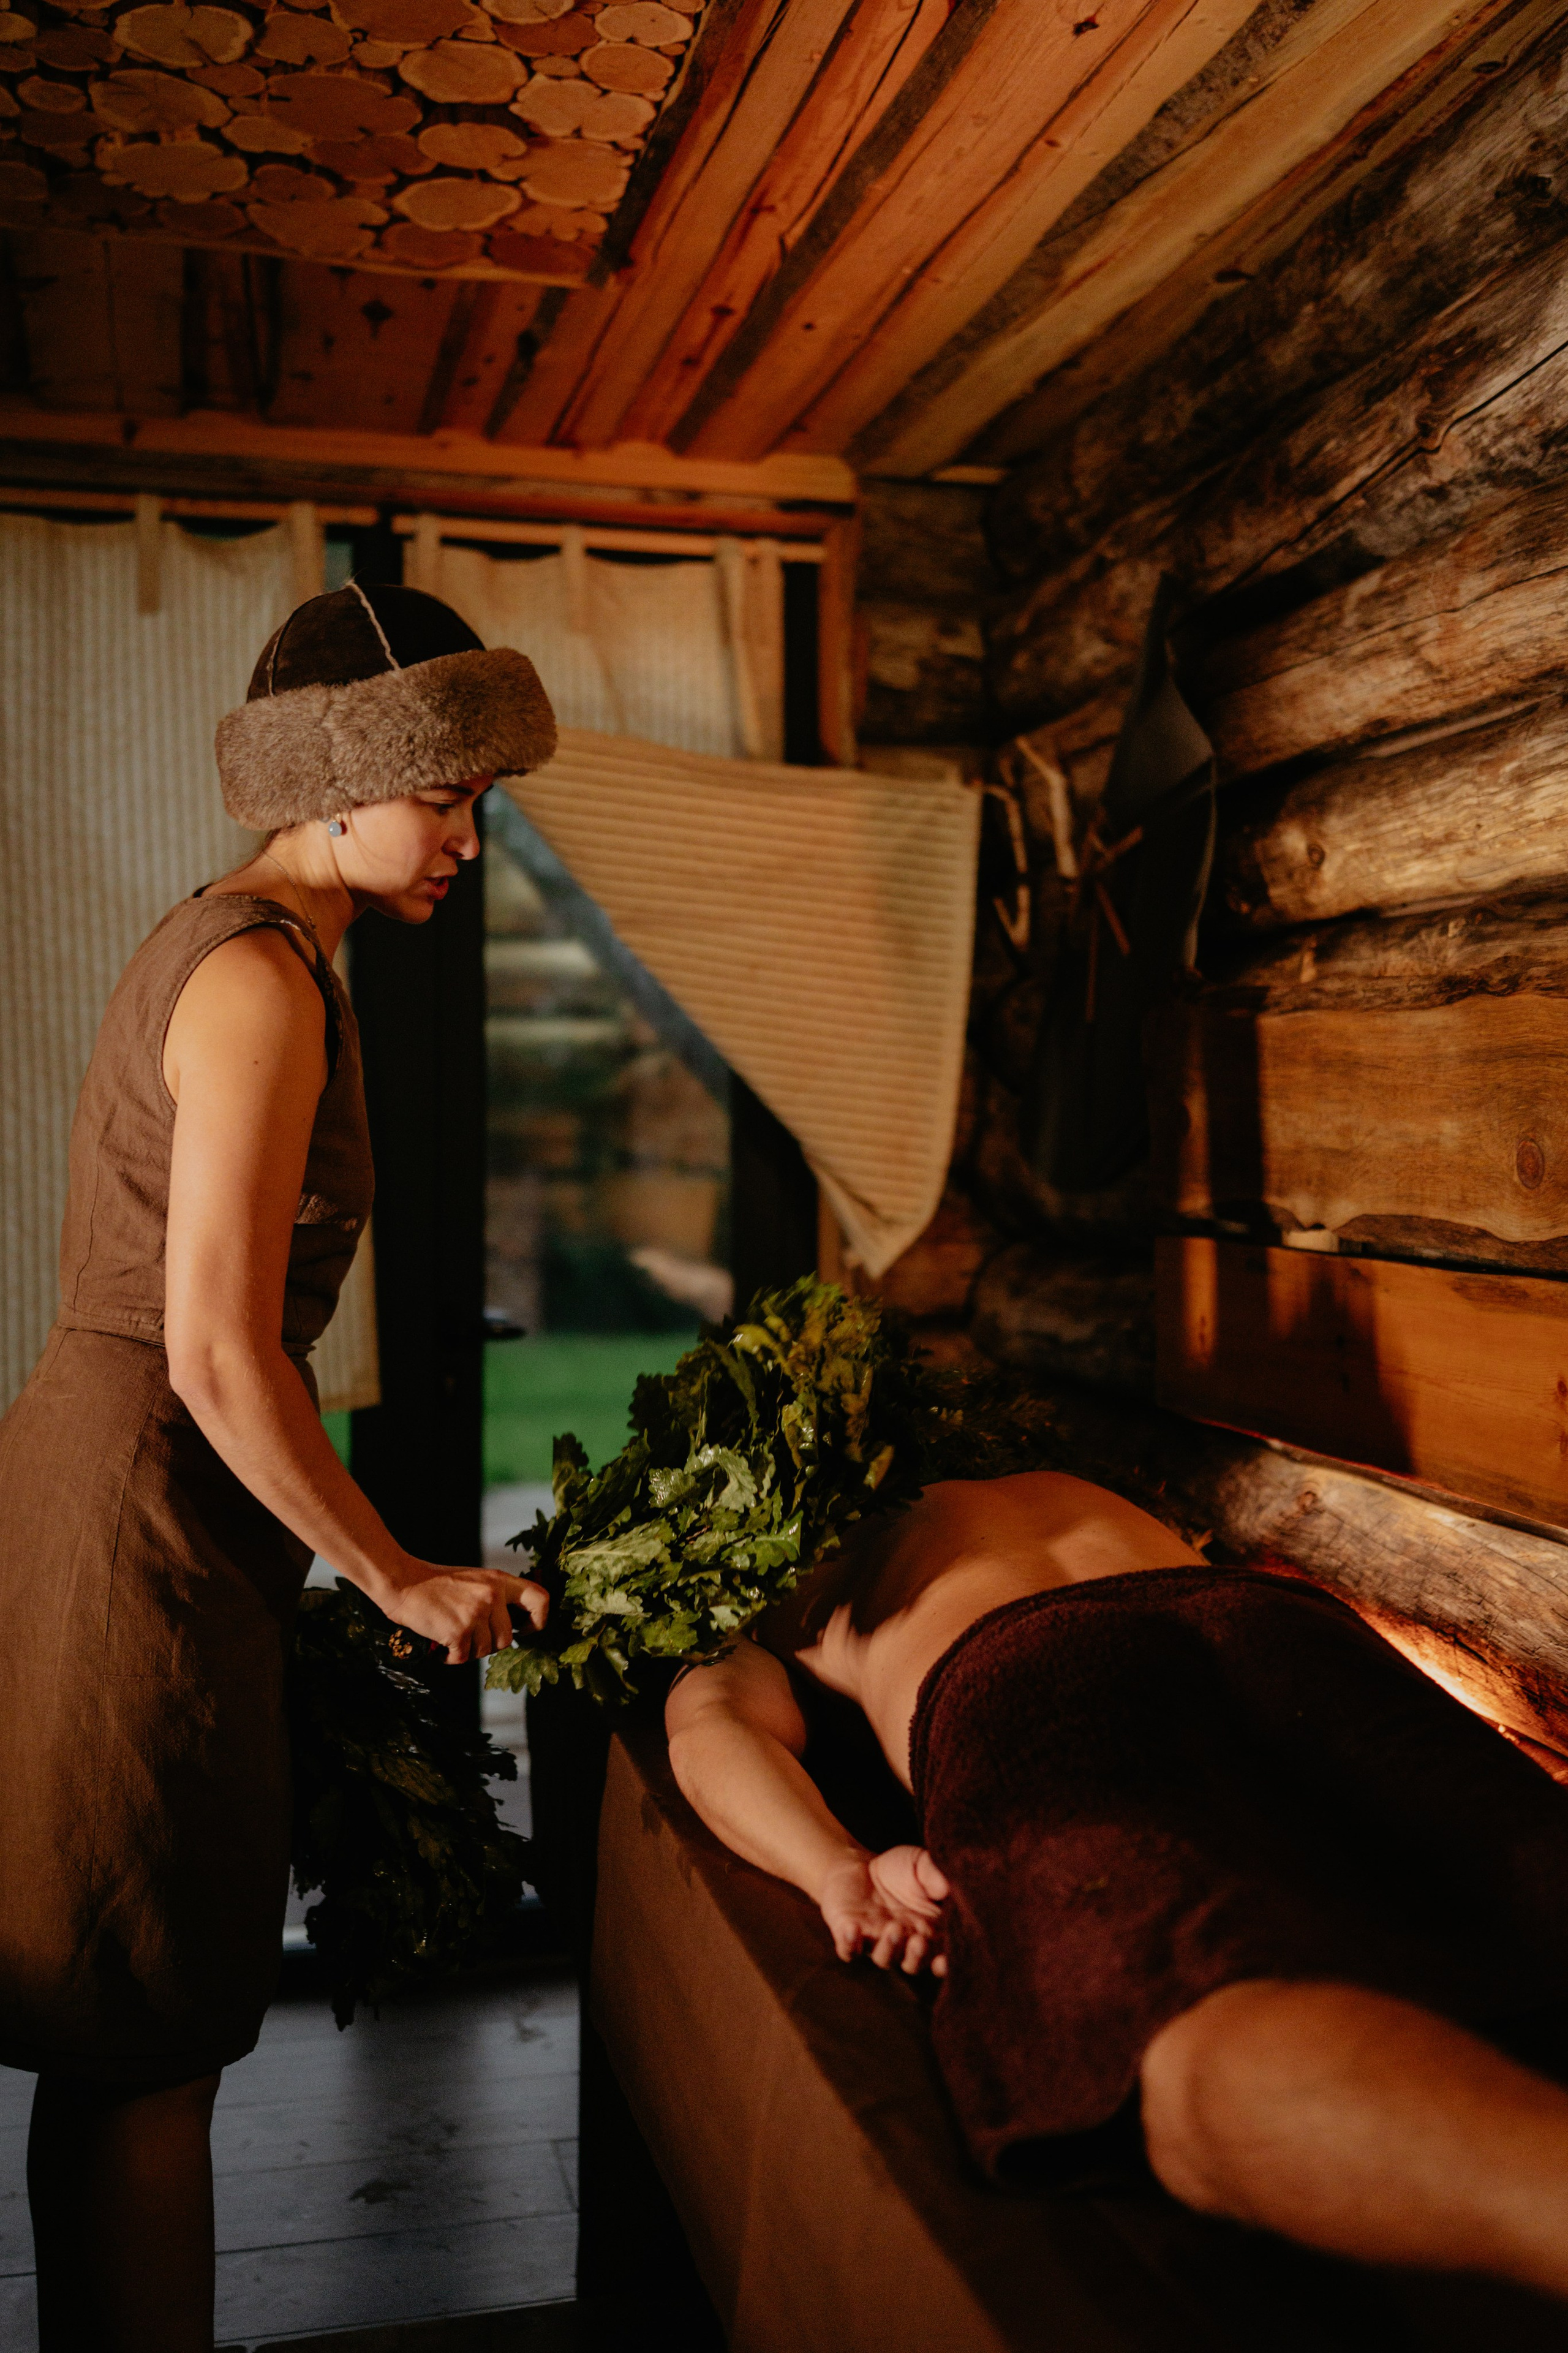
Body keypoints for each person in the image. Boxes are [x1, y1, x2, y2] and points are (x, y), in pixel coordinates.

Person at [0, 581, 556, 2352]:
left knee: (119, 2047)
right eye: (447, 793)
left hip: (130, 1496)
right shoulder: (257, 978)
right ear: (337, 780)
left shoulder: (259, 947)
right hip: (137, 1517)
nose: (469, 834)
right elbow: (221, 1353)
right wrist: (400, 1572)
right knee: (149, 2051)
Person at [666, 1469, 1568, 2302]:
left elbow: (711, 1722)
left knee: (1167, 2017)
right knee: (1527, 1868)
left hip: (1029, 1667)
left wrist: (842, 1870)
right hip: (1277, 1621)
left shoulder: (749, 1567)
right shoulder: (1031, 1472)